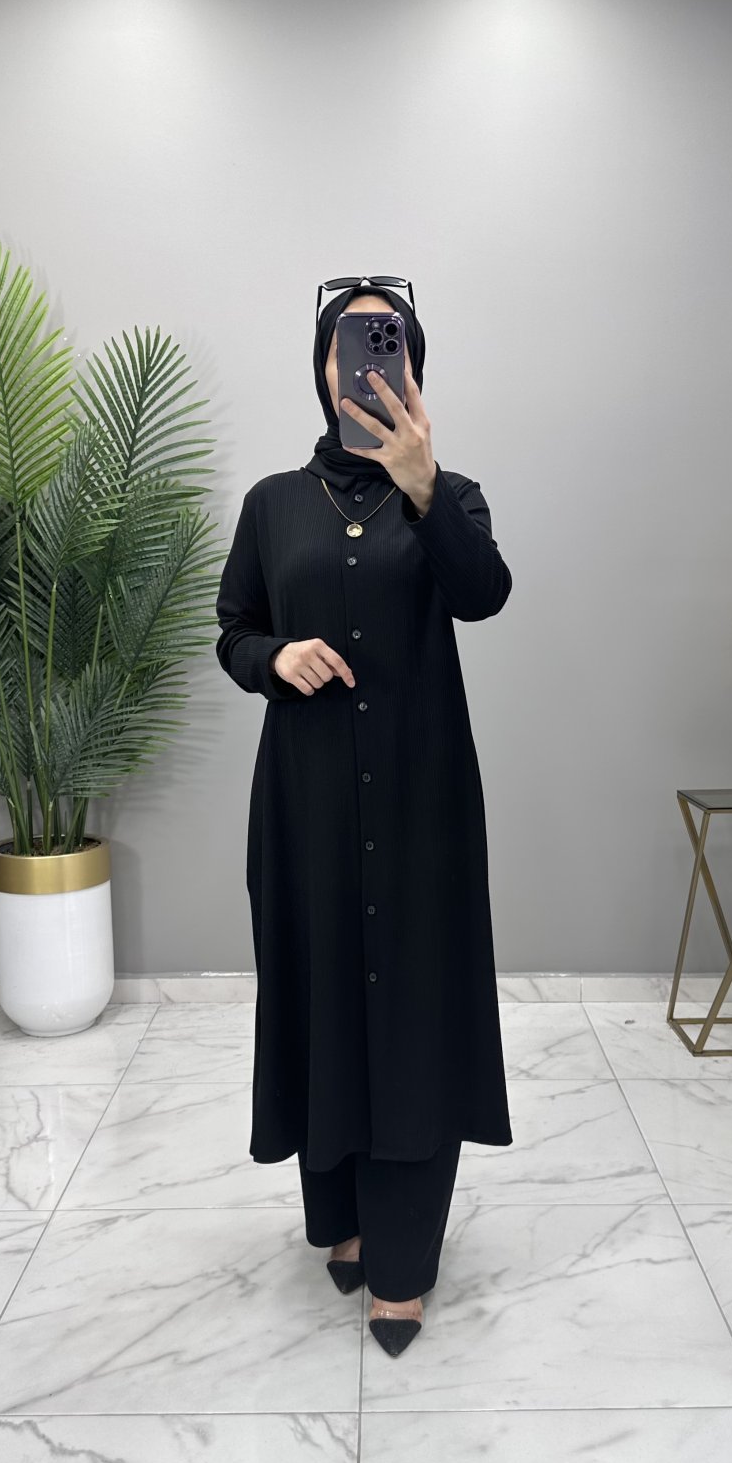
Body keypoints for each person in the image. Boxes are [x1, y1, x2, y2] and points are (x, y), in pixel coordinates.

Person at [215, 277, 513, 1355]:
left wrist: (424, 488)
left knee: (415, 1012)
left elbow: (483, 595)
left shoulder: (452, 495)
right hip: (305, 805)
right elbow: (234, 628)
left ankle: (402, 1263)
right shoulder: (271, 504)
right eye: (348, 348)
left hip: (423, 801)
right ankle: (341, 1218)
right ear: (323, 369)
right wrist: (274, 657)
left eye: (387, 348)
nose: (367, 366)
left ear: (413, 370)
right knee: (325, 995)